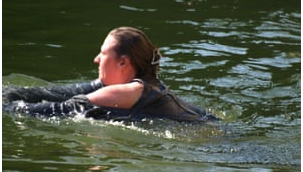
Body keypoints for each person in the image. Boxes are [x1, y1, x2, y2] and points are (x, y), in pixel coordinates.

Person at [3, 27, 218, 122]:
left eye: (103, 53)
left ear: (123, 62)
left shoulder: (120, 94)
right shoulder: (147, 85)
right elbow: (57, 93)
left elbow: (43, 111)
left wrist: (5, 103)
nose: (96, 59)